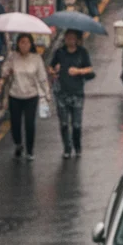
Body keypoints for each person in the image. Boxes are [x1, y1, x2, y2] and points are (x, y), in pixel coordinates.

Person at [1, 34, 50, 160]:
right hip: (15, 95)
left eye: (27, 42)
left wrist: (47, 93)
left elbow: (42, 77)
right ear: (18, 44)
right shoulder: (12, 57)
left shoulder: (36, 58)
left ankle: (30, 150)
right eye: (22, 42)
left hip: (31, 96)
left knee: (29, 124)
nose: (24, 45)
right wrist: (8, 71)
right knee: (15, 123)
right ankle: (18, 144)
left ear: (31, 44)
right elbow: (4, 71)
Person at [49, 30, 94, 158]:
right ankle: (67, 148)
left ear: (77, 40)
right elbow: (50, 67)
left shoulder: (82, 52)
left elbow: (90, 69)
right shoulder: (60, 52)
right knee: (64, 123)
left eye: (73, 38)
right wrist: (53, 71)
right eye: (68, 38)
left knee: (76, 124)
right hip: (61, 92)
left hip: (77, 93)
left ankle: (77, 146)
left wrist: (78, 71)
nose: (70, 41)